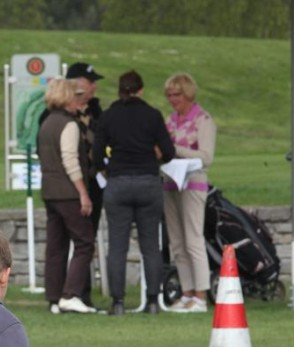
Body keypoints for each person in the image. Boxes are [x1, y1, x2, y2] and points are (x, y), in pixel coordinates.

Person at [92, 70, 175, 316]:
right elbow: (169, 152)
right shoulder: (152, 115)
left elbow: (97, 154)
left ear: (120, 90)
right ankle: (152, 301)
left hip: (118, 182)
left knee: (117, 246)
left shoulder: (108, 116)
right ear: (140, 90)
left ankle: (118, 302)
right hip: (148, 182)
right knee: (151, 245)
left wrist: (106, 169)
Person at [37, 77, 97, 315]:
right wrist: (83, 193)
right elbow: (70, 161)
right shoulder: (69, 125)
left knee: (56, 245)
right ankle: (70, 294)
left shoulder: (46, 123)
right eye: (75, 96)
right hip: (68, 192)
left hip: (50, 192)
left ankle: (54, 296)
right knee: (84, 243)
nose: (78, 101)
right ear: (66, 98)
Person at [162, 73, 216, 313]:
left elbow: (206, 157)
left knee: (193, 239)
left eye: (177, 95)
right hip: (170, 182)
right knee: (177, 241)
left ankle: (201, 296)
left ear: (188, 94)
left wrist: (176, 150)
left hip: (193, 183)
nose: (173, 100)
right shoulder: (169, 120)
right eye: (170, 95)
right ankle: (186, 293)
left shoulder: (203, 120)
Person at [65, 63, 106, 309]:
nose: (93, 86)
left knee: (87, 239)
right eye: (89, 81)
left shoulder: (98, 111)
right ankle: (68, 291)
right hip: (69, 185)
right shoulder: (58, 114)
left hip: (94, 183)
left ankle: (83, 291)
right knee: (72, 240)